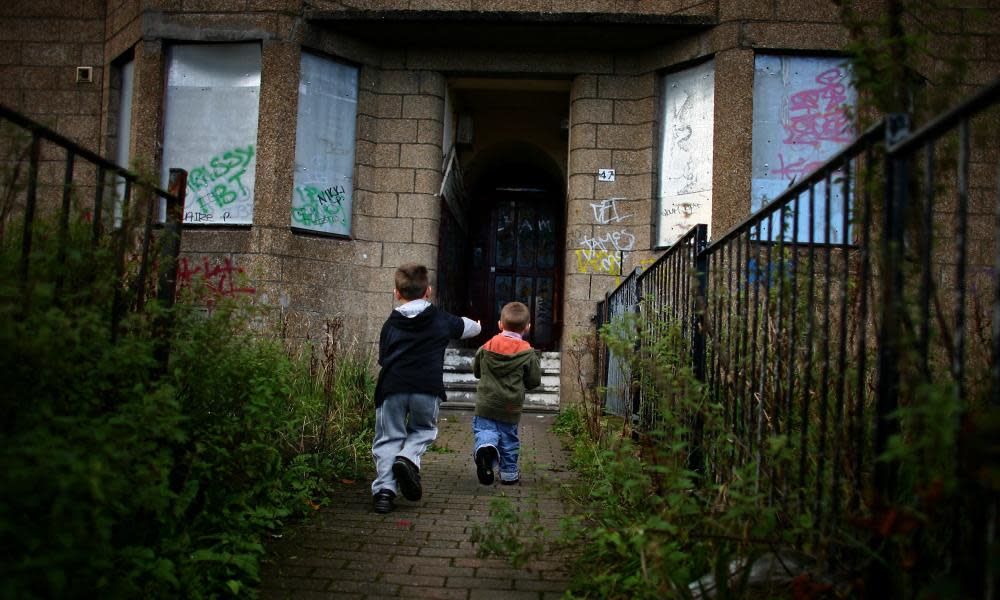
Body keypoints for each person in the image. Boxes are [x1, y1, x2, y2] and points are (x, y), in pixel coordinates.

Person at [371, 263, 481, 514]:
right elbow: (467, 327)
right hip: (426, 388)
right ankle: (408, 458)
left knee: (388, 438)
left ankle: (385, 492)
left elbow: (383, 358)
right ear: (428, 291)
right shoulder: (440, 320)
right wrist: (478, 325)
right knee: (422, 430)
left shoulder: (390, 324)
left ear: (397, 293)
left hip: (392, 387)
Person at [471, 301, 542, 486]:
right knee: (509, 439)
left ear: (500, 324)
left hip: (486, 402)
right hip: (511, 405)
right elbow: (534, 381)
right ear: (527, 327)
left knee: (486, 431)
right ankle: (509, 474)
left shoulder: (487, 346)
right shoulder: (528, 352)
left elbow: (476, 370)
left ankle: (485, 451)